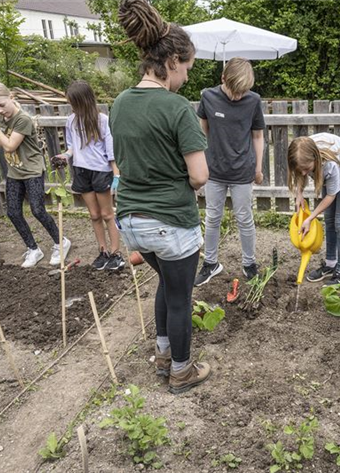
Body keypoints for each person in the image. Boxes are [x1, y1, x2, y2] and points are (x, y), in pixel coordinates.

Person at [112, 0, 211, 394]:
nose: (187, 77)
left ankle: (163, 356)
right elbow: (200, 176)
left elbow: (122, 163)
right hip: (170, 222)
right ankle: (182, 372)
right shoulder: (176, 107)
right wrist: (184, 183)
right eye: (186, 68)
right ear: (171, 61)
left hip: (131, 223)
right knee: (181, 298)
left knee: (167, 287)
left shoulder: (119, 103)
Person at [0, 82, 71, 268]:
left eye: (2, 105)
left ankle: (61, 242)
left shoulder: (23, 119)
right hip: (15, 172)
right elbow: (7, 141)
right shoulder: (7, 119)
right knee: (13, 212)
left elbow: (10, 146)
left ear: (11, 97)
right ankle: (33, 248)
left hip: (32, 171)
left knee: (37, 210)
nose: (0, 110)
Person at [194, 57, 265, 286]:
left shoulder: (253, 101)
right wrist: (203, 161)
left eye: (243, 92)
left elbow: (257, 135)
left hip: (242, 170)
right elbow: (203, 130)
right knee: (213, 217)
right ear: (223, 78)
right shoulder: (208, 97)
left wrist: (258, 167)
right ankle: (211, 263)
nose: (238, 97)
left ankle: (249, 264)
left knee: (245, 219)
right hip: (214, 170)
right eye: (235, 91)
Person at [53, 80, 124, 271]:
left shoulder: (102, 120)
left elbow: (111, 151)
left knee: (107, 214)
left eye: (73, 103)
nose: (72, 108)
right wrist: (64, 156)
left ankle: (116, 254)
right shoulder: (71, 121)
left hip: (100, 171)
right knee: (94, 215)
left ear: (83, 101)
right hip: (81, 171)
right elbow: (72, 148)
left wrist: (116, 175)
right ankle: (103, 252)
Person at [287, 133, 340, 286]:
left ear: (315, 159)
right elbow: (300, 173)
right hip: (327, 170)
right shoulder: (302, 152)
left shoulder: (330, 165)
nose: (304, 173)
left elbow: (330, 196)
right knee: (329, 220)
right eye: (300, 170)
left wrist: (310, 218)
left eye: (307, 169)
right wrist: (299, 194)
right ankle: (330, 264)